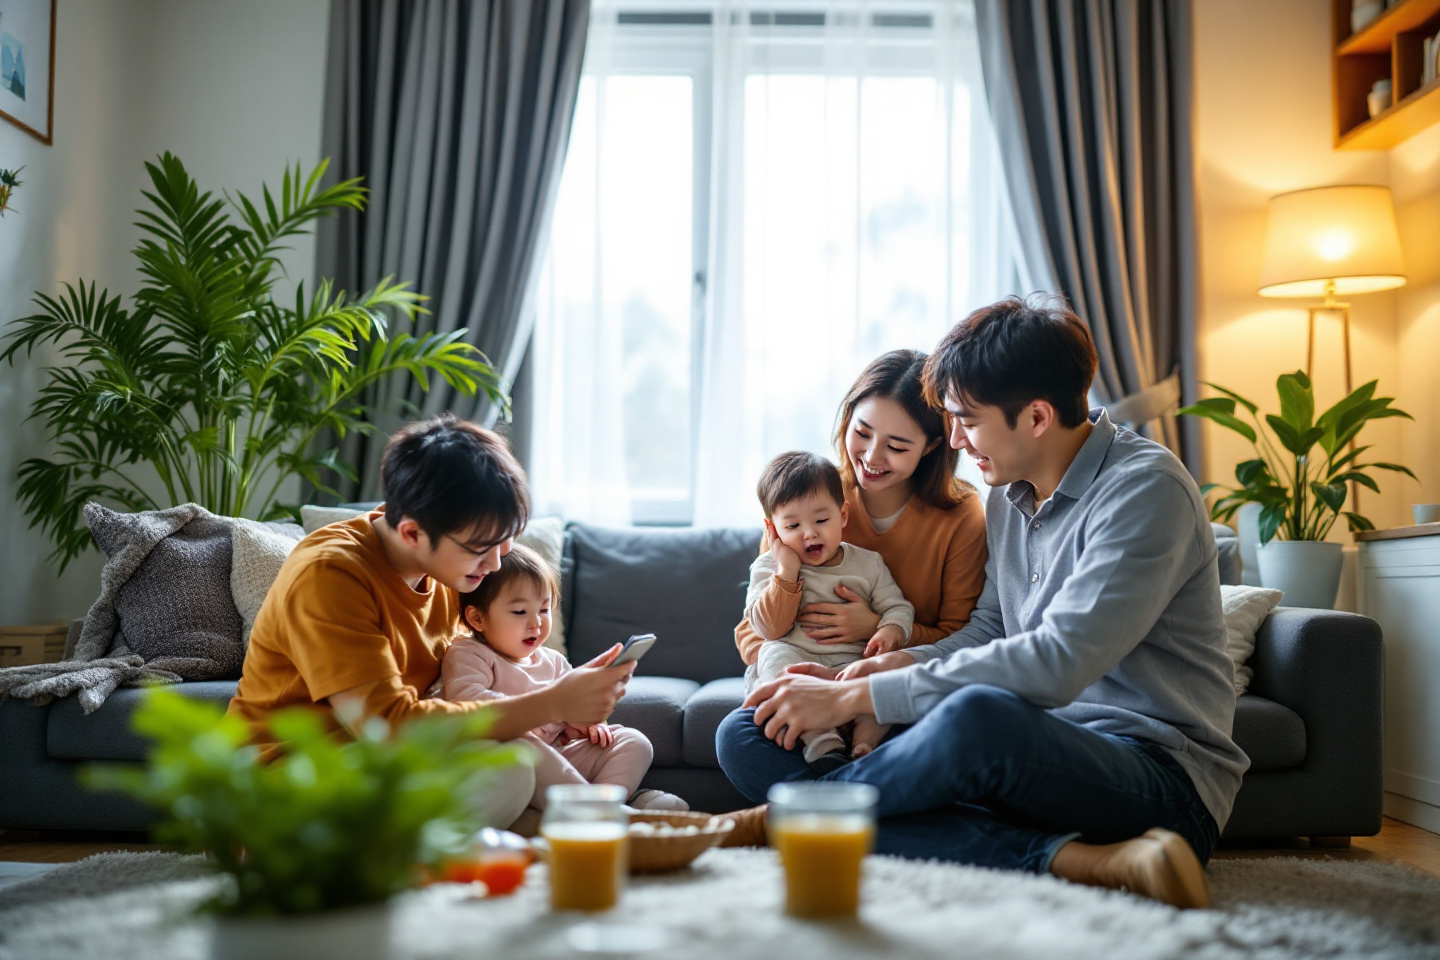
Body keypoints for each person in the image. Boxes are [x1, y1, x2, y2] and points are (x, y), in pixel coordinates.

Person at [717, 296, 1248, 910]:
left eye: (967, 420)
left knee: (977, 718)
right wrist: (878, 669)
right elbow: (990, 630)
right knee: (746, 731)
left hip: (1159, 779)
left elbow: (1057, 662)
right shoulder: (1009, 494)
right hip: (1032, 761)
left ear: (1037, 417)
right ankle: (1078, 860)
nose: (953, 439)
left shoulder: (1144, 490)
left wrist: (859, 697)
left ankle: (784, 820)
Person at [227, 415, 637, 831]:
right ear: (411, 534)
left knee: (517, 761)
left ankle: (577, 825)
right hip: (290, 783)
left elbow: (460, 691)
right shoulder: (330, 574)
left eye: (506, 542)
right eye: (481, 548)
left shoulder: (449, 571)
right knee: (511, 765)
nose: (496, 564)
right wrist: (554, 702)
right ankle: (599, 825)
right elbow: (386, 727)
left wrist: (565, 703)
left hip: (384, 768)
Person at [732, 348, 988, 681]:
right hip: (797, 680)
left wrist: (876, 628)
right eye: (863, 433)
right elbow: (749, 631)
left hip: (894, 684)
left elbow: (962, 638)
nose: (872, 457)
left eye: (896, 446)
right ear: (848, 418)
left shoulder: (961, 515)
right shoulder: (809, 499)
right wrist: (801, 666)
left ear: (931, 446)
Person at [441, 543, 688, 814]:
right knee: (524, 746)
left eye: (544, 609)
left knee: (633, 741)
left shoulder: (553, 660)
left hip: (559, 755)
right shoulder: (470, 652)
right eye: (520, 612)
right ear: (477, 618)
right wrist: (537, 714)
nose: (536, 623)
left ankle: (606, 805)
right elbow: (467, 702)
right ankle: (600, 815)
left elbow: (572, 709)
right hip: (513, 761)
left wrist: (589, 724)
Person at [746, 451, 916, 770]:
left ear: (843, 515)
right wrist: (787, 572)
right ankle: (822, 739)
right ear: (772, 530)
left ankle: (864, 744)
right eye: (793, 525)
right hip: (798, 664)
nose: (809, 533)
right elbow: (768, 629)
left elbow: (897, 606)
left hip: (853, 667)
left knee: (888, 675)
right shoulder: (770, 568)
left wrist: (890, 629)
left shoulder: (868, 564)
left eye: (821, 521)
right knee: (771, 654)